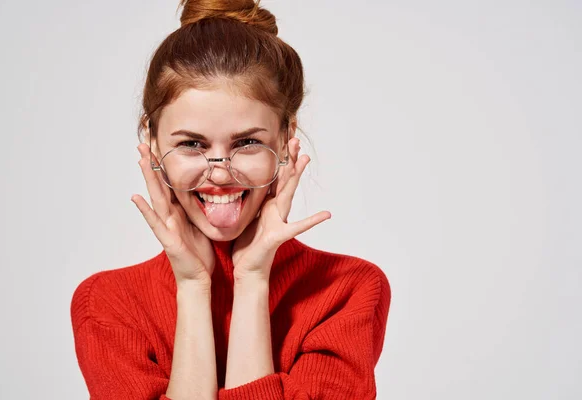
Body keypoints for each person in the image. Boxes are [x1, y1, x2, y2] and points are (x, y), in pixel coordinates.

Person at [70, 1, 391, 399]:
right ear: (152, 146)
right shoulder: (107, 305)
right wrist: (191, 287)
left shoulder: (347, 293)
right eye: (190, 144)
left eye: (248, 142)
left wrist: (253, 281)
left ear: (286, 139)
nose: (220, 173)